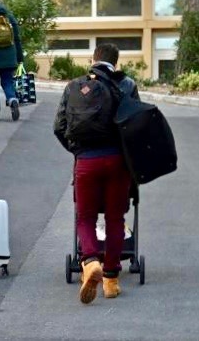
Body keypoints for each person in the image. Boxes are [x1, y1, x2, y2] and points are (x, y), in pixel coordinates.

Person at [53, 43, 139, 304]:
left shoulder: (73, 86)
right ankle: (111, 279)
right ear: (117, 61)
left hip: (86, 161)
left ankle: (90, 261)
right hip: (117, 161)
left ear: (93, 59)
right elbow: (136, 123)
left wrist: (78, 151)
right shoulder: (126, 85)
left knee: (85, 216)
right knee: (115, 218)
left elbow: (59, 126)